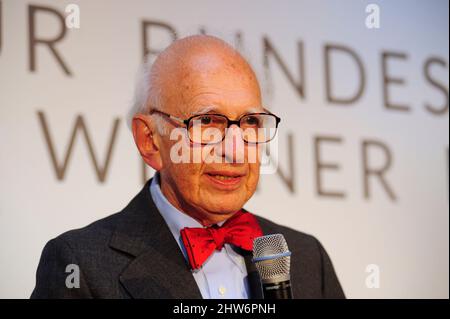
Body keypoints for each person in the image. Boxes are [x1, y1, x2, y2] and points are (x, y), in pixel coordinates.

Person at [31, 35, 345, 299]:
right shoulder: (79, 265)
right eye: (207, 122)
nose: (235, 152)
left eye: (250, 122)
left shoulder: (306, 258)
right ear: (150, 140)